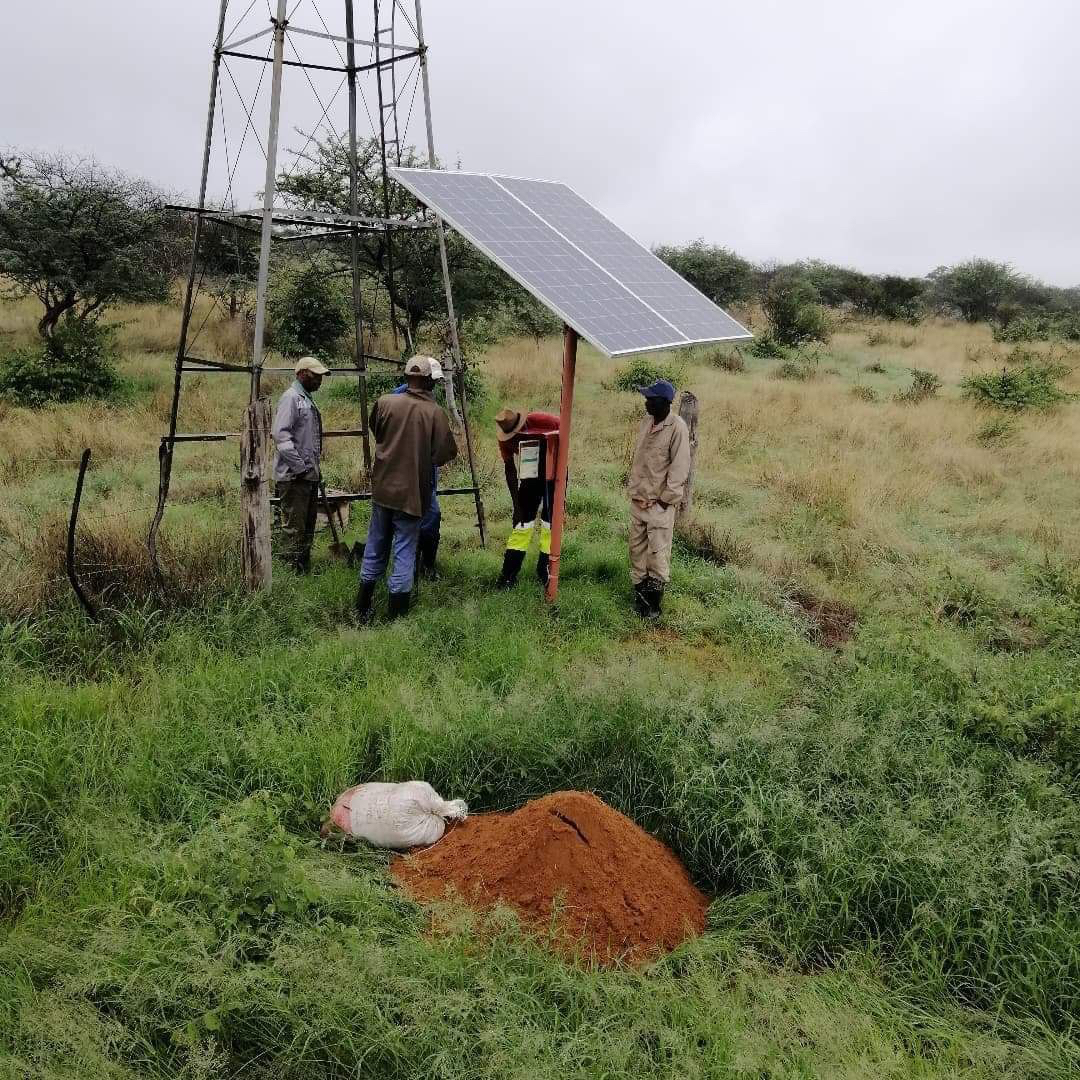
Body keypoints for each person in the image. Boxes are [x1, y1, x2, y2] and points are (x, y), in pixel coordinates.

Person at [356, 355, 458, 622]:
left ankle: (363, 607)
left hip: (382, 491)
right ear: (427, 381)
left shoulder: (385, 402)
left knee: (376, 544)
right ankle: (396, 616)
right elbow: (445, 454)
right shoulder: (434, 412)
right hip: (412, 494)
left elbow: (377, 430)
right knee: (404, 550)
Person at [627, 379, 690, 619]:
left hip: (659, 505)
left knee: (657, 554)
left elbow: (680, 467)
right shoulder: (646, 422)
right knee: (636, 550)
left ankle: (653, 607)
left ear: (664, 404)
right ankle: (640, 600)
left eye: (650, 399)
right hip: (638, 499)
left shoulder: (678, 428)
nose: (646, 402)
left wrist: (666, 500)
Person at [272, 356, 329, 573]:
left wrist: (313, 471)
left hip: (308, 476)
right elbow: (281, 437)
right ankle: (291, 573)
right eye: (315, 376)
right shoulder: (291, 398)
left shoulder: (305, 398)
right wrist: (301, 468)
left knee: (307, 526)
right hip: (295, 477)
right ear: (302, 374)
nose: (319, 381)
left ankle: (302, 570)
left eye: (321, 377)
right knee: (294, 528)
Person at [493, 407, 560, 589]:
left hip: (555, 474)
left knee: (549, 524)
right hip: (529, 477)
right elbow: (510, 469)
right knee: (522, 525)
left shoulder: (542, 419)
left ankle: (545, 569)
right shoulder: (505, 439)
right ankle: (508, 575)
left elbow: (565, 432)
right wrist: (517, 506)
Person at [391, 358, 444, 578]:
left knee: (431, 519)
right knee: (408, 523)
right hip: (405, 476)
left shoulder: (427, 399)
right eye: (432, 381)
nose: (434, 386)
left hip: (426, 476)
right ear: (423, 378)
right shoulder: (398, 400)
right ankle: (408, 570)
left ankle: (427, 565)